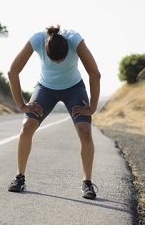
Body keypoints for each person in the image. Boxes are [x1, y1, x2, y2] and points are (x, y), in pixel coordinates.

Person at [7, 25, 101, 200]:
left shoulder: (75, 40)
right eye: (54, 60)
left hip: (74, 88)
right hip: (45, 88)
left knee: (85, 131)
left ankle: (87, 183)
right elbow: (13, 71)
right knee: (27, 127)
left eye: (61, 60)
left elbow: (94, 74)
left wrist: (92, 107)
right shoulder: (36, 39)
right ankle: (19, 178)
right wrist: (21, 105)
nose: (58, 63)